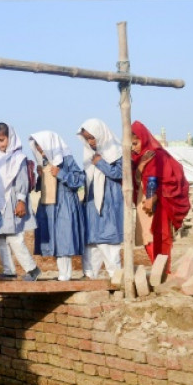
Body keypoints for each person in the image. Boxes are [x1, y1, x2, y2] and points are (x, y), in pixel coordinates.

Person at [131, 121, 190, 272]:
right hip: (142, 202)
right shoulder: (135, 159)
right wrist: (140, 167)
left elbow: (172, 179)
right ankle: (157, 269)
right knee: (146, 237)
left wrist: (154, 197)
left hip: (159, 204)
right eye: (131, 145)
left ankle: (164, 272)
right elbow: (135, 182)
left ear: (143, 138)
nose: (134, 148)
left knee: (160, 235)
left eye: (135, 143)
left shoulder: (159, 155)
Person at [0, 122, 41, 281]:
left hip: (14, 202)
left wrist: (21, 201)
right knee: (1, 238)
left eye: (2, 140)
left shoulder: (18, 158)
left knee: (14, 238)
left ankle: (32, 269)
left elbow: (22, 181)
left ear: (10, 138)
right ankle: (8, 271)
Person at [29, 131, 85, 281]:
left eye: (43, 148)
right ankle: (63, 273)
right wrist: (40, 176)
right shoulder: (44, 162)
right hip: (48, 206)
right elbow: (40, 187)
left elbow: (79, 179)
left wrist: (61, 173)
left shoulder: (66, 159)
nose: (41, 152)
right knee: (54, 239)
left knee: (64, 237)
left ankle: (66, 274)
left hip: (65, 203)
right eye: (39, 149)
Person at [77, 118, 124, 279]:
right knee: (92, 242)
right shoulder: (89, 156)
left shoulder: (116, 152)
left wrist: (101, 163)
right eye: (87, 139)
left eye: (92, 138)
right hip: (92, 203)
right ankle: (89, 275)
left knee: (109, 241)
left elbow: (120, 173)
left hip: (110, 201)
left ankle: (115, 276)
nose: (90, 142)